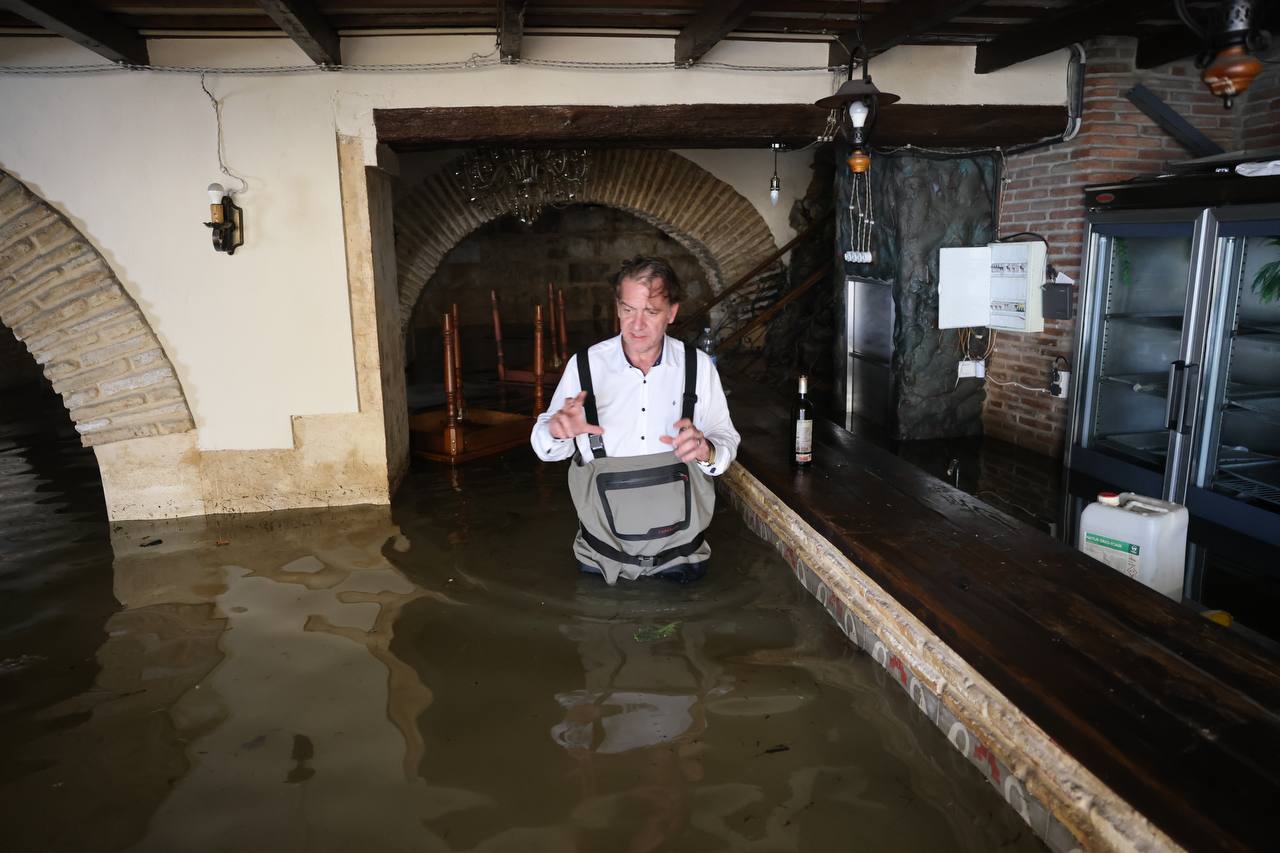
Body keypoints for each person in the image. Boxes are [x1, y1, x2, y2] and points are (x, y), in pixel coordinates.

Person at [531, 256, 740, 585]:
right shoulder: (585, 366)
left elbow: (725, 443)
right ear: (617, 308)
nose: (636, 325)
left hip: (681, 560)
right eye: (628, 310)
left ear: (672, 312)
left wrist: (706, 450)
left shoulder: (698, 367)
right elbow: (545, 449)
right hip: (601, 560)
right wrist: (557, 431)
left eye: (651, 312)